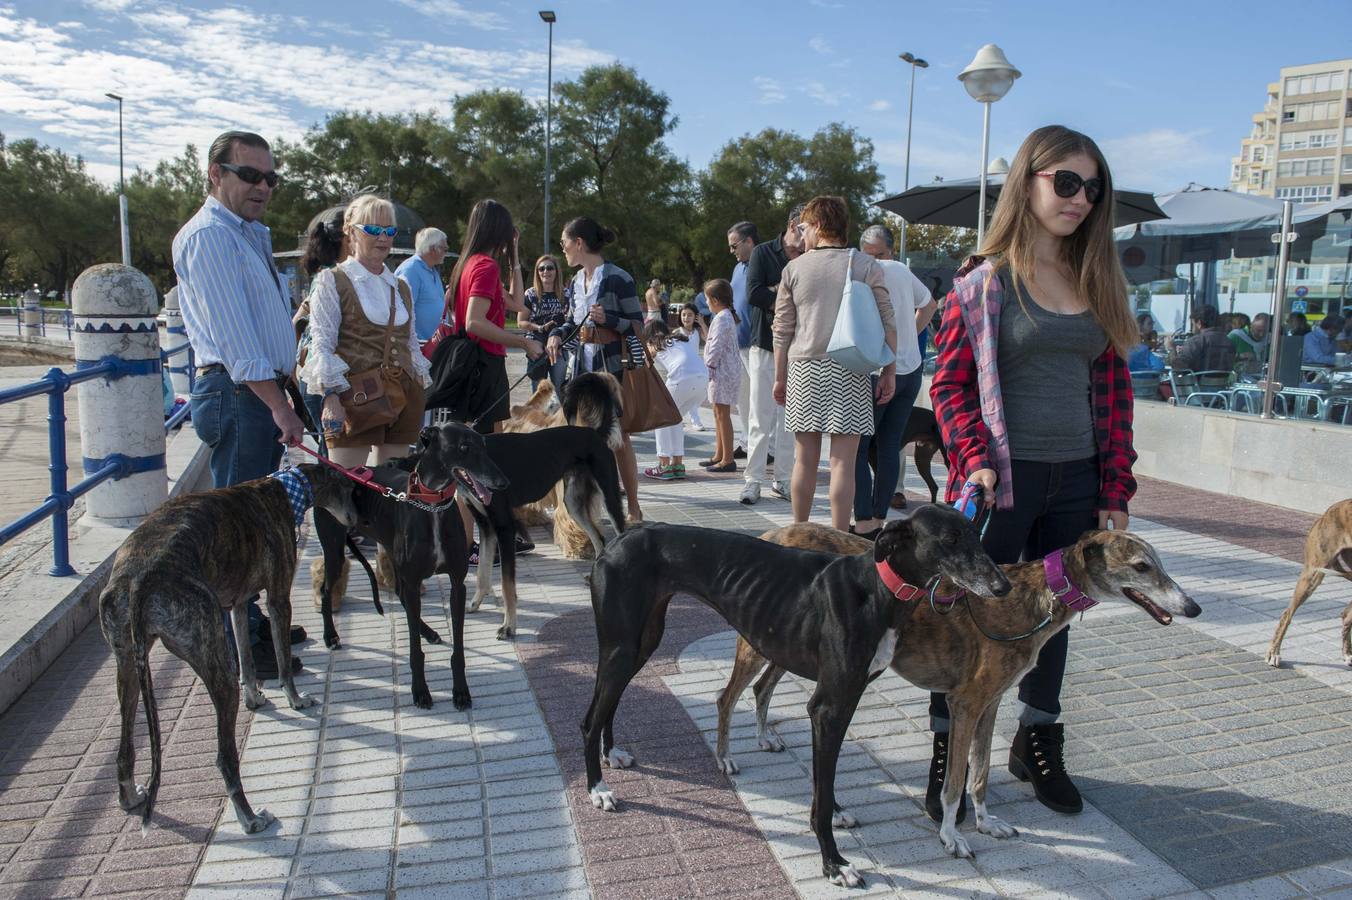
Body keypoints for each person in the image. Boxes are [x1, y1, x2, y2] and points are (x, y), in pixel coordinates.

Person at [930, 124, 1140, 821]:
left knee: (1056, 616)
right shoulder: (983, 283)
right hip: (1002, 483)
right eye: (1067, 182)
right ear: (1029, 182)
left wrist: (1115, 491)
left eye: (1093, 187)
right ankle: (946, 750)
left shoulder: (1097, 280)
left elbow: (1114, 399)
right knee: (964, 615)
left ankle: (1036, 739)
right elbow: (951, 386)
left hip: (1076, 479)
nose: (1081, 199)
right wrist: (975, 459)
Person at [172, 130, 305, 679]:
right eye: (249, 175)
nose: (262, 186)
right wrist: (280, 406)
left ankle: (251, 623)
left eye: (269, 177)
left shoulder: (247, 233)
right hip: (239, 393)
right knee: (239, 530)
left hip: (256, 391)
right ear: (215, 174)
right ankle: (237, 645)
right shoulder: (209, 237)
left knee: (255, 521)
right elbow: (236, 342)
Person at [772, 196, 897, 532]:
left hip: (804, 369)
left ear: (817, 226)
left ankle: (800, 532)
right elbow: (888, 320)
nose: (802, 234)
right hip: (851, 368)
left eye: (804, 227)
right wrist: (889, 370)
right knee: (843, 462)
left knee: (805, 460)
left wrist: (779, 377)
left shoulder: (794, 269)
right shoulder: (866, 265)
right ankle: (841, 537)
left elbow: (782, 330)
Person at [302, 194, 431, 472]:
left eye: (389, 231)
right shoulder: (333, 280)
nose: (382, 238)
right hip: (356, 400)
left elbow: (410, 344)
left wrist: (420, 387)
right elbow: (322, 345)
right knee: (348, 487)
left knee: (394, 485)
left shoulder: (400, 286)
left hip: (403, 396)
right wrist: (330, 397)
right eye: (372, 229)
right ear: (350, 232)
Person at [446, 199, 542, 561]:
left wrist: (515, 254)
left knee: (476, 457)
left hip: (475, 370)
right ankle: (470, 544)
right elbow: (475, 322)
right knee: (478, 459)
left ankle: (480, 538)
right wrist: (522, 341)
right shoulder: (484, 266)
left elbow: (518, 303)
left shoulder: (470, 265)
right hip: (483, 368)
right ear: (498, 230)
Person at [546, 217, 645, 522]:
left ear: (579, 243)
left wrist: (609, 320)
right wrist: (557, 334)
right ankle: (585, 512)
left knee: (618, 439)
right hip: (579, 371)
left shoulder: (618, 278)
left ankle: (633, 509)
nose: (562, 250)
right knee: (580, 439)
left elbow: (638, 326)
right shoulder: (575, 282)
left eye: (564, 243)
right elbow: (572, 322)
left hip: (611, 370)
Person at [852, 224, 933, 537]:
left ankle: (863, 522)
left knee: (859, 449)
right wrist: (910, 334)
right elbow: (929, 304)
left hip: (876, 371)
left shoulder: (860, 270)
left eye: (879, 255)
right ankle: (879, 517)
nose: (877, 261)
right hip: (910, 369)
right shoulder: (900, 269)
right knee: (889, 446)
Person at [741, 206, 804, 504]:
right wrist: (786, 292)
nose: (810, 236)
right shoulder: (764, 253)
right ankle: (752, 481)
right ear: (793, 225)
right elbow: (753, 293)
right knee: (759, 416)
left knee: (789, 421)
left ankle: (783, 480)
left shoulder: (810, 256)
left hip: (799, 349)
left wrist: (776, 291)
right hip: (765, 344)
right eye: (807, 227)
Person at [293, 205, 348, 449]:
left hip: (313, 379)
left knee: (331, 457)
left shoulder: (325, 276)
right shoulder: (331, 279)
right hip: (323, 385)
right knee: (333, 461)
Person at [641, 320, 709, 480]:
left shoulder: (654, 342)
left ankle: (664, 466)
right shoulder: (678, 339)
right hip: (702, 380)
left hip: (682, 378)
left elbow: (645, 363)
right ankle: (677, 464)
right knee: (675, 419)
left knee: (661, 418)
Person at [701, 279, 742, 473]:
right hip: (724, 370)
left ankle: (727, 459)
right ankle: (719, 454)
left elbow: (715, 346)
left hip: (721, 371)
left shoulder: (722, 318)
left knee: (723, 414)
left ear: (715, 300)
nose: (706, 303)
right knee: (718, 413)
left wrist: (708, 364)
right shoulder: (725, 316)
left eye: (707, 299)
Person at [728, 222, 759, 464]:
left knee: (760, 400)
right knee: (743, 398)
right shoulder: (738, 268)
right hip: (738, 341)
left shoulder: (762, 263)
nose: (732, 251)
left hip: (757, 342)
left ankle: (766, 448)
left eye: (734, 245)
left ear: (749, 241)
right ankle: (747, 442)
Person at [522, 254, 571, 392]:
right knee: (538, 393)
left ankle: (559, 414)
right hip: (536, 347)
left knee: (559, 390)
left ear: (556, 271)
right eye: (541, 269)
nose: (545, 272)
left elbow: (571, 321)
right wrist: (540, 328)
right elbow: (521, 322)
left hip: (559, 348)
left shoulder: (566, 294)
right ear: (537, 272)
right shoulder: (531, 294)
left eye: (550, 268)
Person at [394, 227, 449, 342]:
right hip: (419, 347)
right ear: (433, 249)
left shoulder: (432, 270)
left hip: (434, 345)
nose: (446, 252)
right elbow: (401, 311)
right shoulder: (410, 270)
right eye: (444, 249)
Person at [1167, 305, 1235, 372]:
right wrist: (1186, 350)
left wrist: (1171, 349)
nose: (1192, 328)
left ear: (1199, 323)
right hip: (1224, 382)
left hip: (1197, 382)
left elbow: (1178, 367)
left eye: (1193, 324)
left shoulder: (1196, 341)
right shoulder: (1229, 341)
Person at [675, 301, 709, 430]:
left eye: (690, 315)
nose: (686, 318)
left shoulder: (697, 331)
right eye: (683, 315)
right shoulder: (677, 332)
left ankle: (693, 420)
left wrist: (702, 323)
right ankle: (685, 419)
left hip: (696, 369)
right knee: (682, 398)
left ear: (695, 316)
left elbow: (709, 338)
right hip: (682, 371)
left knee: (696, 396)